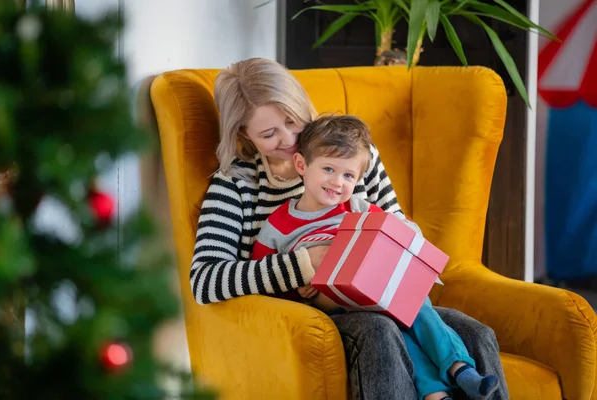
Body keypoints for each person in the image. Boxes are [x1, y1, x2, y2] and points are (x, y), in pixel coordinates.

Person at [190, 57, 508, 399]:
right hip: (311, 315)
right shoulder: (235, 185)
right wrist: (305, 264)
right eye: (269, 134)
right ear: (243, 134)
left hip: (377, 294)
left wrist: (404, 243)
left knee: (475, 333)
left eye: (293, 121)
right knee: (380, 330)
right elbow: (205, 281)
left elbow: (393, 220)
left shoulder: (353, 154)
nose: (290, 138)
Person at [251, 115, 499, 400]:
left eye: (348, 176)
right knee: (392, 321)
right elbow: (264, 282)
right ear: (301, 165)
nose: (337, 182)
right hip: (333, 308)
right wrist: (296, 290)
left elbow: (400, 234)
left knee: (411, 308)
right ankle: (452, 374)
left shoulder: (357, 207)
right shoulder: (276, 227)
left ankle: (453, 376)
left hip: (376, 293)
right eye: (328, 169)